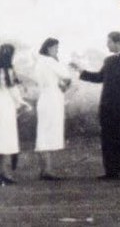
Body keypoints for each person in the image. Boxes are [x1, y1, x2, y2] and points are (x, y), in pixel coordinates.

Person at [72, 31, 120, 180]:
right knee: (108, 138)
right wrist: (81, 71)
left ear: (117, 42)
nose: (107, 45)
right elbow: (99, 77)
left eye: (109, 42)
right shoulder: (108, 61)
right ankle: (110, 171)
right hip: (108, 107)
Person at [31, 38, 71, 180]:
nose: (57, 51)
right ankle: (47, 170)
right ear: (49, 48)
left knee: (43, 132)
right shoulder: (51, 62)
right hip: (53, 99)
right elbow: (67, 76)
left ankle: (44, 169)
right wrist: (64, 85)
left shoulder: (39, 63)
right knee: (48, 133)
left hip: (43, 99)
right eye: (56, 48)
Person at [0, 44, 26, 185]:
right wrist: (22, 103)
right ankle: (3, 172)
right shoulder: (8, 71)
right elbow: (12, 90)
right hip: (5, 105)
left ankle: (3, 172)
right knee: (5, 140)